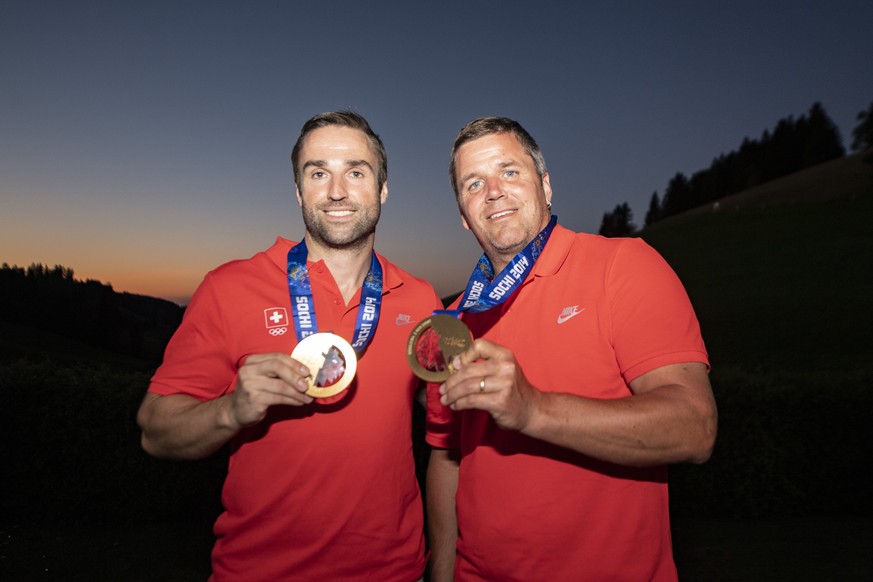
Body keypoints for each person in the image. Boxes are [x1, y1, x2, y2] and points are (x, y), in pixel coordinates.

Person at [137, 111, 441, 581]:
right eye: (318, 173)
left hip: (395, 571)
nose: (337, 190)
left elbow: (443, 421)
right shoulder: (229, 288)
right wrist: (230, 410)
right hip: (259, 571)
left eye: (356, 172)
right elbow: (154, 433)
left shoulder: (418, 298)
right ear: (299, 191)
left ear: (382, 190)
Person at [426, 117, 718, 581]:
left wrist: (534, 410)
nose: (494, 191)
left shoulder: (622, 265)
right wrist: (441, 573)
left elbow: (695, 427)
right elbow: (447, 459)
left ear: (545, 185)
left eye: (510, 171)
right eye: (473, 183)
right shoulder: (452, 323)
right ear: (463, 213)